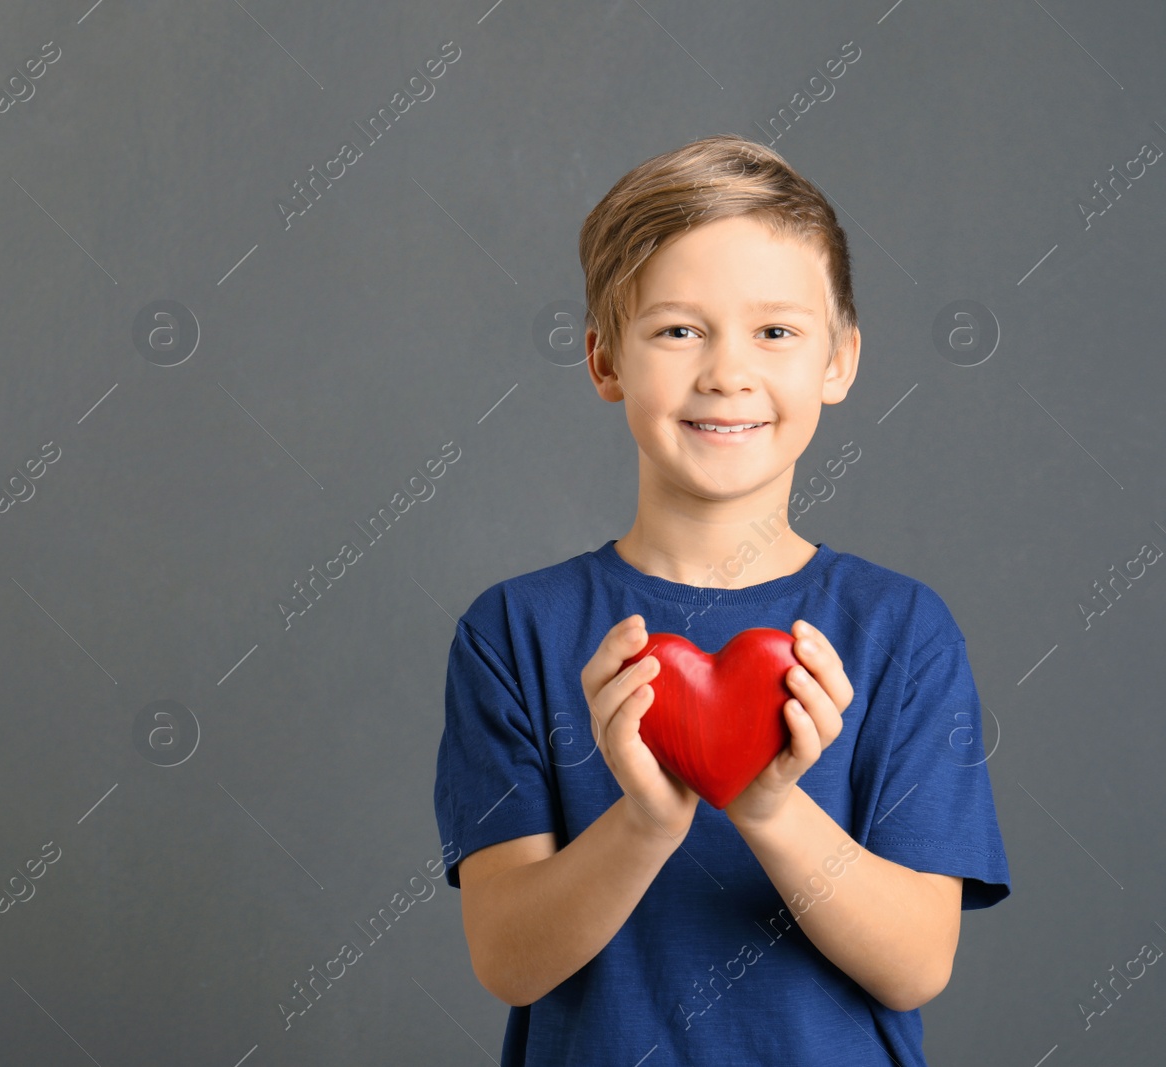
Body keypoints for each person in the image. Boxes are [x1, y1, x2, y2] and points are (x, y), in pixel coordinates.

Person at [431, 134, 1010, 1066]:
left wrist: (767, 806)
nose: (726, 373)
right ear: (605, 360)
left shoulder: (902, 632)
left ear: (840, 360)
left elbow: (916, 964)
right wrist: (648, 820)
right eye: (677, 329)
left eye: (775, 331)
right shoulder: (515, 632)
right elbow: (508, 958)